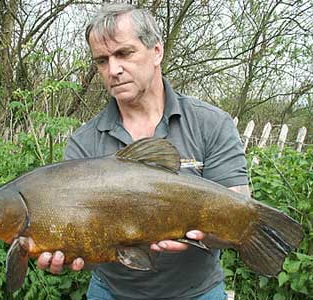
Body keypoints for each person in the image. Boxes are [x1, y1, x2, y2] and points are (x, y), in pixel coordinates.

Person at [37, 3, 250, 300]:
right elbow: (80, 235)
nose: (113, 69)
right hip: (112, 291)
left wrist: (200, 236)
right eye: (102, 60)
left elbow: (240, 207)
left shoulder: (211, 123)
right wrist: (69, 252)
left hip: (198, 291)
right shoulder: (84, 143)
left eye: (124, 53)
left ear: (157, 52)